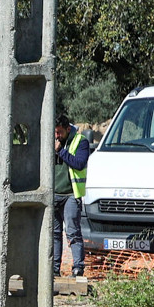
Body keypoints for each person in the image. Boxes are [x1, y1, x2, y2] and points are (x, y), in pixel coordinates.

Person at [54, 119, 93, 277]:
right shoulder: (52, 141)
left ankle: (78, 268)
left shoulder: (81, 142)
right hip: (54, 195)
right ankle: (54, 269)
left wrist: (60, 152)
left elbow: (79, 163)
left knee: (73, 232)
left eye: (60, 132)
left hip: (71, 195)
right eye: (55, 132)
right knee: (54, 234)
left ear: (68, 129)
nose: (57, 135)